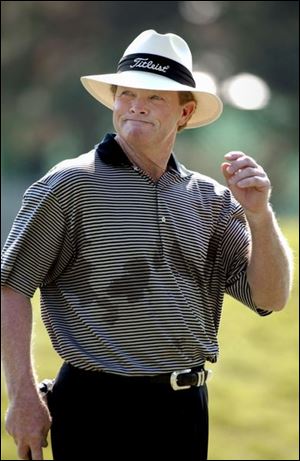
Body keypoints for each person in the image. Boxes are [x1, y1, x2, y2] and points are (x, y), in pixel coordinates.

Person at [1, 29, 293, 461]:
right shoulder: (68, 185)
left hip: (185, 410)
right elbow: (11, 287)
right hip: (95, 409)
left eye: (155, 97)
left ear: (185, 112)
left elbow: (272, 297)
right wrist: (22, 396)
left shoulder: (211, 200)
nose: (136, 104)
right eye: (127, 94)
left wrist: (260, 215)